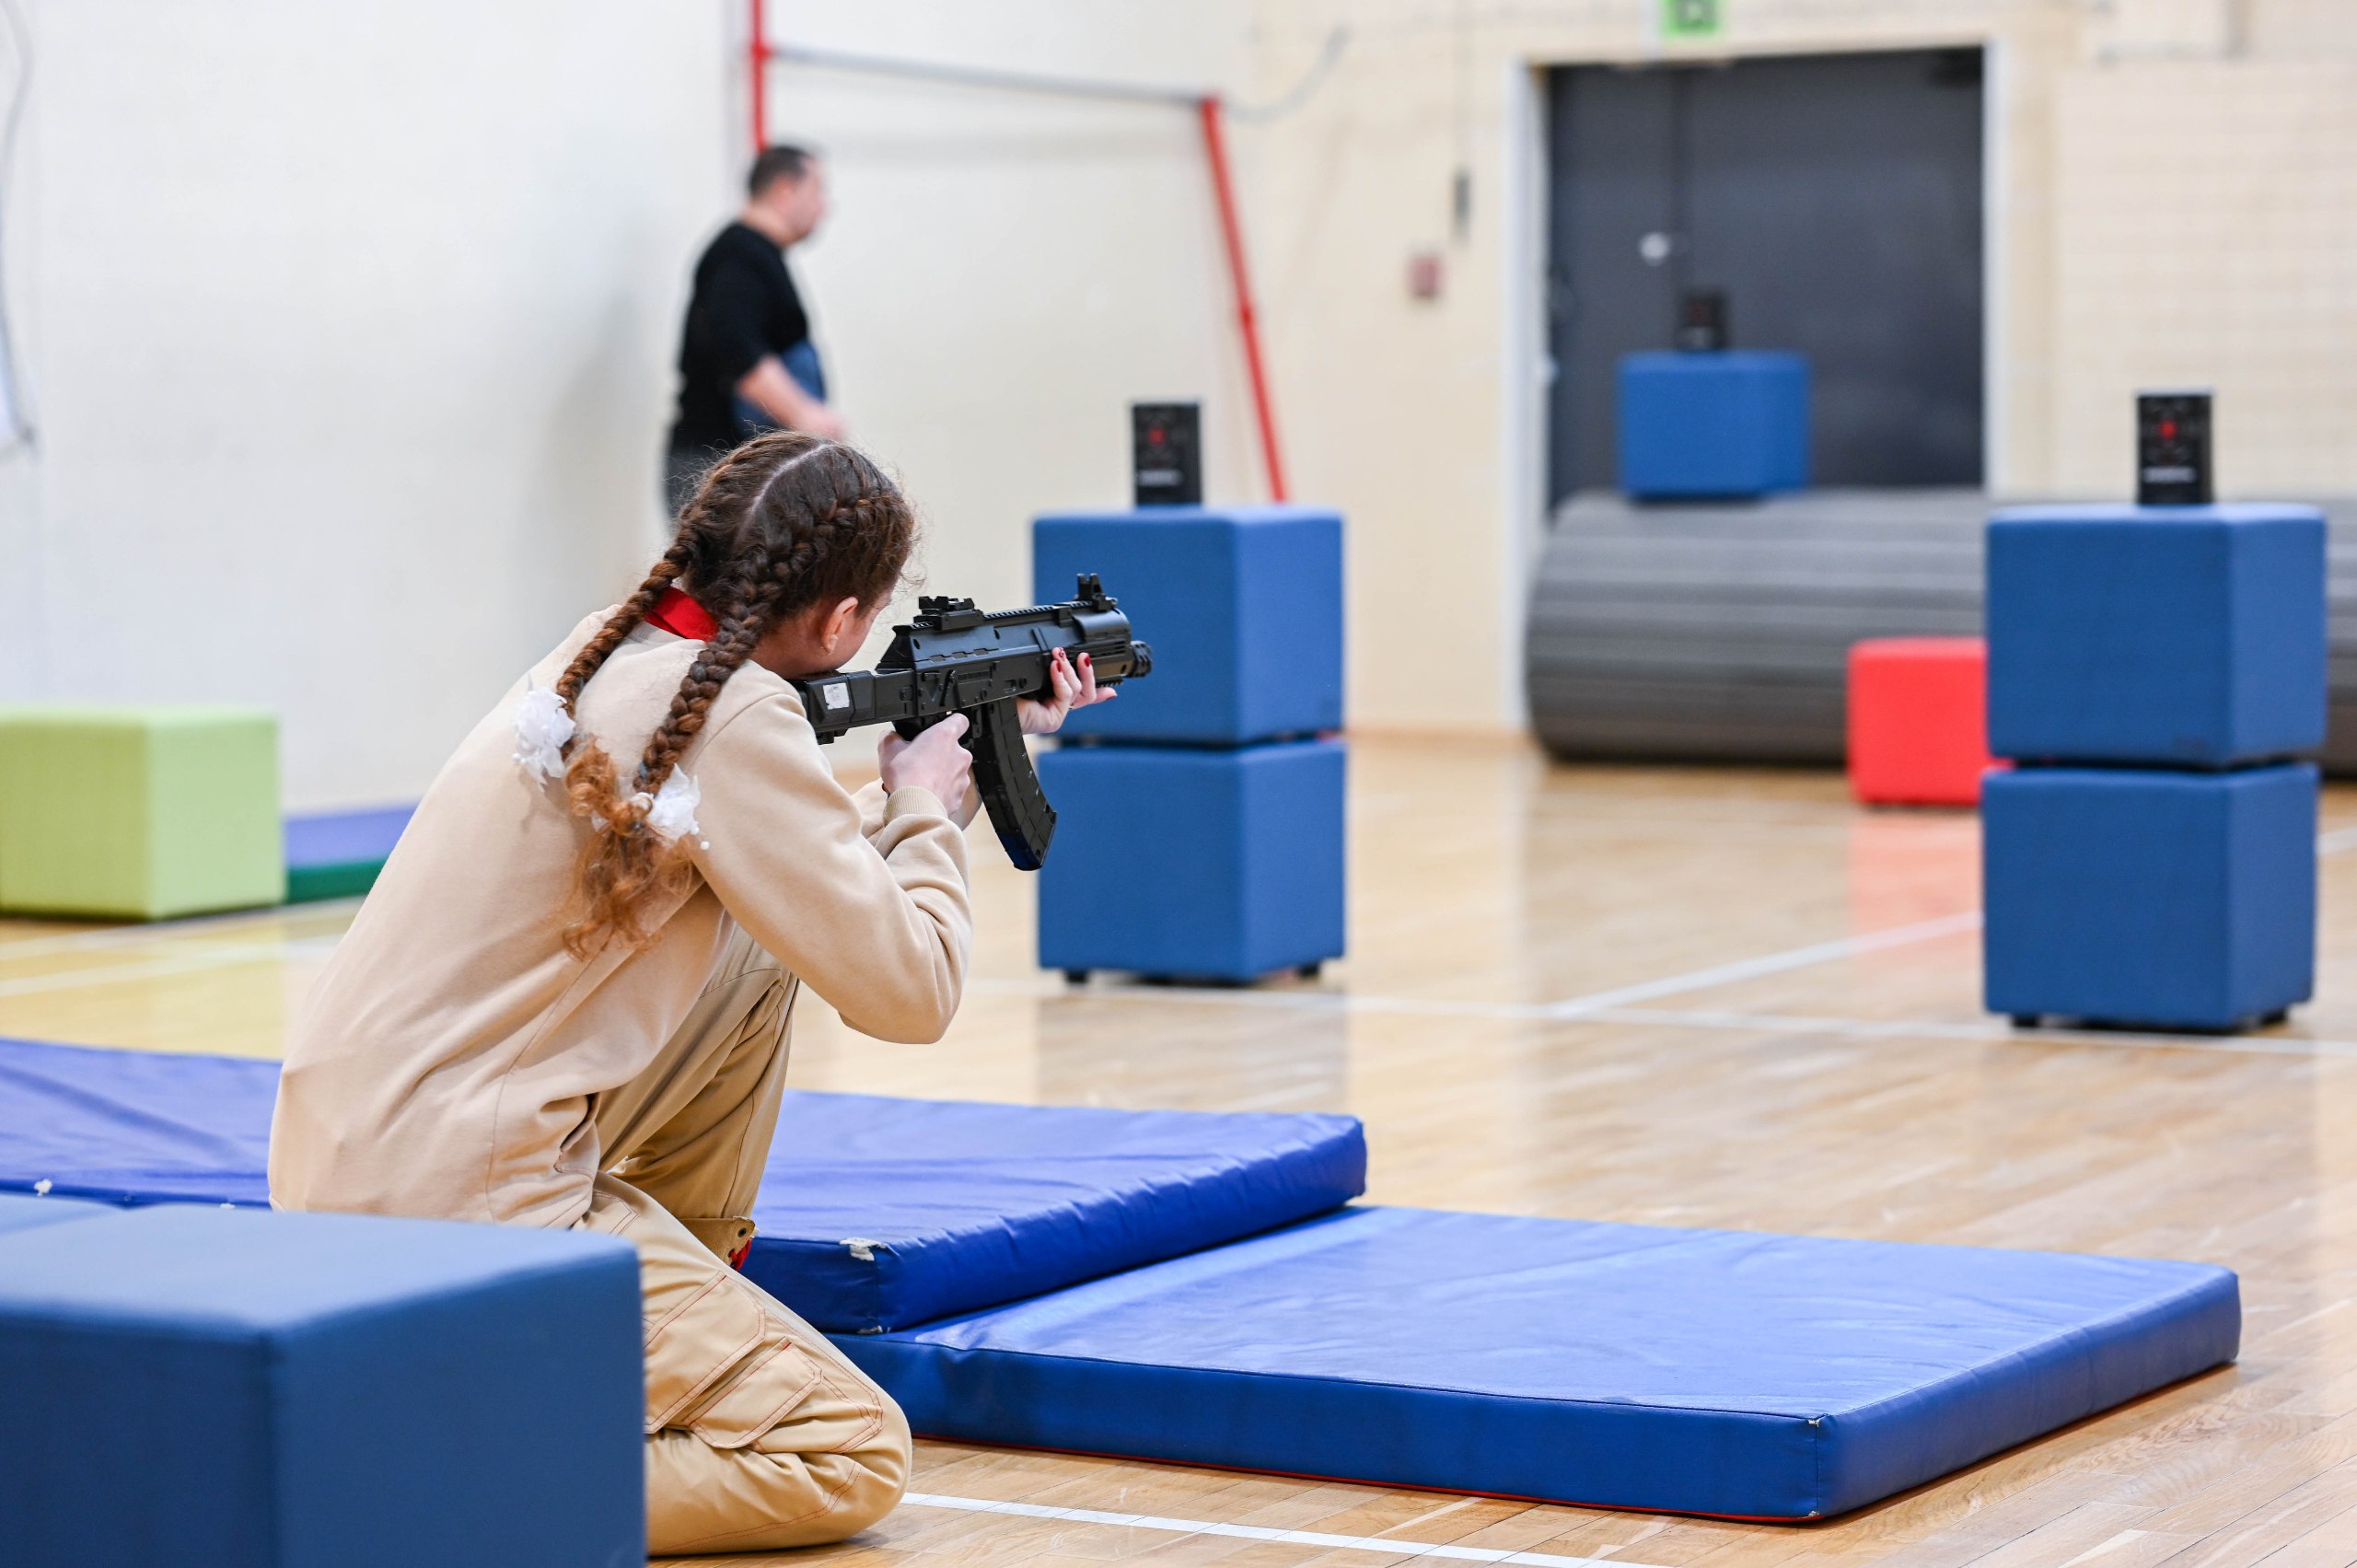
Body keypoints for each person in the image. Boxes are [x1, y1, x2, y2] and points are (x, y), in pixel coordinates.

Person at [267, 431, 1111, 1553]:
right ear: (843, 621)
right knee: (849, 1451)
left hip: (348, 1153)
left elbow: (802, 880)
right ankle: (445, 1487)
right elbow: (913, 992)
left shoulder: (606, 654)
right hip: (463, 1193)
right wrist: (918, 804)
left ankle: (668, 1302)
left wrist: (938, 782)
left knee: (766, 955)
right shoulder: (740, 717)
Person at [665, 145, 842, 517]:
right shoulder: (739, 255)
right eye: (817, 191)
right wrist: (806, 415)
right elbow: (738, 350)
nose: (824, 207)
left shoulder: (754, 254)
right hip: (718, 468)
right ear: (785, 189)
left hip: (733, 468)